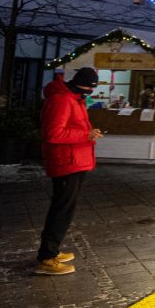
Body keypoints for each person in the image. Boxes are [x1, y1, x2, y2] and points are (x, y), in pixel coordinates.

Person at [36, 68, 102, 275]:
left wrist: (88, 134)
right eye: (89, 87)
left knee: (65, 207)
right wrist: (86, 134)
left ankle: (51, 251)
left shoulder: (74, 98)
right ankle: (47, 257)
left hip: (74, 160)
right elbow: (53, 134)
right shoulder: (63, 100)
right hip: (67, 162)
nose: (90, 92)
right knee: (62, 209)